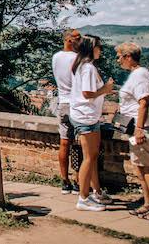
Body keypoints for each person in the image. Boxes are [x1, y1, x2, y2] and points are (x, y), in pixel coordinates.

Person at [116, 42, 149, 221]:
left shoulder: (140, 75)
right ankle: (148, 204)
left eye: (120, 57)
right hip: (139, 128)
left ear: (128, 57)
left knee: (148, 168)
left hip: (145, 128)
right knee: (139, 167)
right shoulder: (136, 74)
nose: (118, 60)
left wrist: (139, 129)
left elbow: (144, 102)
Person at [69, 34, 115, 211]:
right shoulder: (87, 68)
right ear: (91, 48)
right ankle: (83, 198)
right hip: (86, 116)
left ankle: (96, 192)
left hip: (88, 116)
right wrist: (106, 89)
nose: (101, 50)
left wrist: (103, 91)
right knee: (89, 158)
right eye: (99, 46)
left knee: (93, 156)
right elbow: (87, 94)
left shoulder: (82, 65)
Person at [52, 29, 81, 194]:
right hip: (76, 103)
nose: (80, 41)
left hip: (63, 102)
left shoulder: (56, 57)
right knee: (79, 144)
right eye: (77, 38)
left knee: (64, 142)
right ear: (69, 40)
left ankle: (65, 181)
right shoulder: (78, 58)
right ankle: (78, 180)